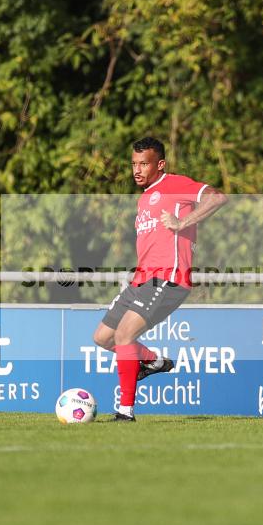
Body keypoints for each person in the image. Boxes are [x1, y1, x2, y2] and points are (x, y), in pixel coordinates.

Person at [92, 137, 228, 421]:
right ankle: (153, 361)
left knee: (124, 335)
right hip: (141, 279)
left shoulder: (175, 184)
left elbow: (217, 197)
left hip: (168, 277)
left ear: (160, 164)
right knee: (103, 337)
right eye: (134, 164)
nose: (137, 169)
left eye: (144, 164)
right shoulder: (144, 198)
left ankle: (125, 412)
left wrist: (182, 223)